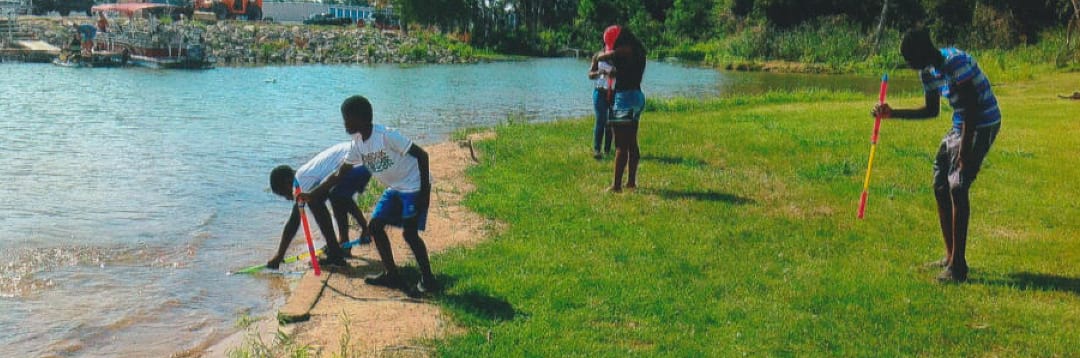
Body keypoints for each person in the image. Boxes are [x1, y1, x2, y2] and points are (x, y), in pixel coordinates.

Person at [872, 28, 1002, 283]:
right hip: (960, 124)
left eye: (911, 60)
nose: (910, 66)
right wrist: (892, 113)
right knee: (940, 183)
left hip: (982, 122)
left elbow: (973, 108)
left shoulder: (955, 62)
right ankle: (950, 255)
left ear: (922, 53)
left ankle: (958, 268)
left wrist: (965, 150)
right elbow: (931, 111)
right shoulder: (928, 71)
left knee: (958, 186)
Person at [302, 95, 437, 295]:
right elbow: (339, 174)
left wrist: (424, 192)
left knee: (409, 234)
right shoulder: (357, 143)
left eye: (347, 118)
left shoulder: (386, 136)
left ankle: (429, 279)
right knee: (375, 227)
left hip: (414, 186)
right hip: (395, 188)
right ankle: (393, 275)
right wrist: (312, 194)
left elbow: (422, 155)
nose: (344, 123)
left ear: (361, 119)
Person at [267, 142, 372, 269]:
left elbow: (293, 222)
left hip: (358, 163)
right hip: (365, 160)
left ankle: (335, 253)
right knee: (334, 195)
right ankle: (342, 244)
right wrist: (364, 226)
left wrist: (279, 255)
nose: (289, 198)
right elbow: (345, 201)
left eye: (284, 194)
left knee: (315, 201)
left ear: (288, 182)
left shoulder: (301, 180)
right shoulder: (309, 173)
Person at [594, 25, 647, 193]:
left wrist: (597, 57)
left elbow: (603, 56)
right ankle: (631, 182)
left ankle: (616, 186)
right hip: (637, 96)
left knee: (621, 145)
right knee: (631, 142)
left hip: (625, 98)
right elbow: (627, 72)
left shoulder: (623, 50)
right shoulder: (638, 50)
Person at [588, 47, 615, 159]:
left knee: (611, 122)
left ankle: (607, 150)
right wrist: (599, 72)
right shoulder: (598, 56)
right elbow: (590, 75)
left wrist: (616, 73)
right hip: (599, 92)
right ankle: (597, 150)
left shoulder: (618, 57)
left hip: (614, 93)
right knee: (601, 120)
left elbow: (626, 74)